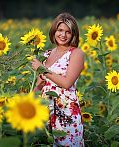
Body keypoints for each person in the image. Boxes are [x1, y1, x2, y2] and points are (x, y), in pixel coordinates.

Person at [31, 12, 84, 147]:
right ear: (54, 30)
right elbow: (39, 86)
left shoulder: (76, 53)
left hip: (66, 114)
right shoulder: (46, 54)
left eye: (68, 32)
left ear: (73, 35)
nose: (63, 35)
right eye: (60, 30)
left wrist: (43, 69)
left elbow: (67, 83)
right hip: (45, 112)